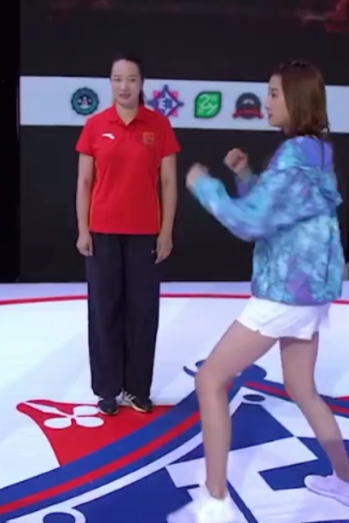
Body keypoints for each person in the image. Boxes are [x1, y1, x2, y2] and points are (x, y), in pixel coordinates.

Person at [168, 60, 349, 523]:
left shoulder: (293, 157)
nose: (265, 102)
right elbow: (277, 212)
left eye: (273, 93)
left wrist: (204, 187)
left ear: (296, 98)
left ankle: (216, 502)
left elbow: (250, 223)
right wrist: (246, 176)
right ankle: (346, 482)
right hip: (311, 294)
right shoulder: (315, 153)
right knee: (302, 387)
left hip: (284, 294)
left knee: (210, 380)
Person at [75, 54, 180, 416]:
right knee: (104, 312)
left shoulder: (159, 125)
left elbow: (169, 184)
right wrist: (83, 229)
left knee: (142, 314)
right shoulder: (95, 125)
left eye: (131, 79)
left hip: (145, 234)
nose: (124, 86)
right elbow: (84, 182)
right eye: (117, 79)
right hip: (102, 233)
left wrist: (166, 232)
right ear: (110, 83)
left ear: (141, 83)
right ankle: (107, 389)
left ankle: (137, 388)